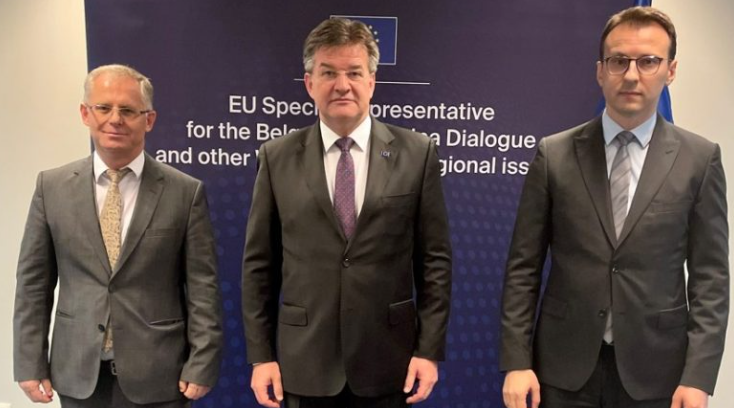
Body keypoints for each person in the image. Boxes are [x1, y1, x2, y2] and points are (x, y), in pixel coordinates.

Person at [500, 6, 729, 408]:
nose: (632, 75)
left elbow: (710, 279)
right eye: (619, 60)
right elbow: (523, 267)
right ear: (600, 71)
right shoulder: (554, 155)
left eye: (648, 61)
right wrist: (517, 362)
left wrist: (698, 377)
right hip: (563, 370)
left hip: (657, 372)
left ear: (670, 71)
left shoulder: (699, 159)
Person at [241, 17, 452, 408]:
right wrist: (261, 356)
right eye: (329, 73)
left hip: (389, 360)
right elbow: (259, 266)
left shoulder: (417, 153)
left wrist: (428, 350)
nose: (342, 85)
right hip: (303, 363)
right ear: (309, 84)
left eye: (354, 72)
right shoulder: (276, 157)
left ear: (371, 82)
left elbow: (434, 261)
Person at [13, 64, 223, 407]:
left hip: (159, 375)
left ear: (149, 120)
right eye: (103, 107)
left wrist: (202, 362)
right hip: (77, 374)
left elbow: (203, 288)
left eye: (128, 110)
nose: (115, 119)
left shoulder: (185, 192)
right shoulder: (51, 188)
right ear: (85, 113)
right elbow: (33, 285)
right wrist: (28, 363)